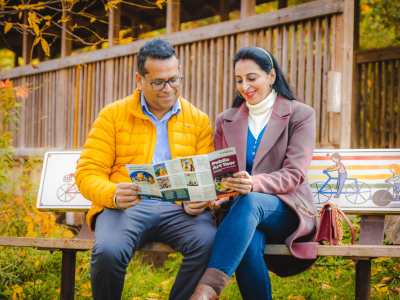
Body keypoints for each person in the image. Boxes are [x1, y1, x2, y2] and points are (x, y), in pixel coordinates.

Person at [75, 39, 223, 300]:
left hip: (179, 211)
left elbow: (204, 177)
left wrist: (200, 198)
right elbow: (87, 172)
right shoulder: (113, 115)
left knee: (211, 242)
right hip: (127, 207)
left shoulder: (198, 120)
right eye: (158, 82)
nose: (168, 89)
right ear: (139, 79)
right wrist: (113, 193)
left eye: (174, 79)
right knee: (108, 251)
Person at [190, 47, 319, 300]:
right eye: (239, 80)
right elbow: (222, 176)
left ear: (271, 76)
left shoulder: (300, 114)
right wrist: (217, 195)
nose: (244, 86)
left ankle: (207, 290)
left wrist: (253, 182)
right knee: (246, 242)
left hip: (286, 211)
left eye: (251, 78)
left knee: (250, 200)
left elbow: (295, 174)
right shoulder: (225, 120)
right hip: (240, 214)